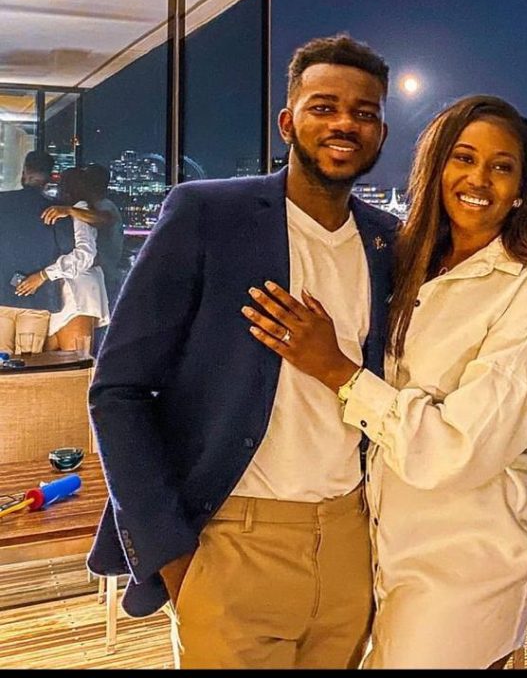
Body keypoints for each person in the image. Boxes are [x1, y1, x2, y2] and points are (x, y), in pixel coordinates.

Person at [87, 34, 398, 670]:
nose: (344, 123)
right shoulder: (209, 215)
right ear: (287, 122)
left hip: (352, 540)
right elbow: (118, 390)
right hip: (231, 537)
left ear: (381, 134)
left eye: (363, 112)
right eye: (323, 107)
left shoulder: (388, 240)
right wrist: (172, 557)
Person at [246, 95, 527, 669]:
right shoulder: (407, 269)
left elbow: (458, 449)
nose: (479, 179)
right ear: (436, 167)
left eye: (501, 167)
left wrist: (337, 371)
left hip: (466, 564)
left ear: (523, 190)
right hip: (381, 541)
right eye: (463, 158)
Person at [17, 166, 110, 354]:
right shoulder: (67, 210)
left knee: (74, 361)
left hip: (77, 291)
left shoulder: (78, 209)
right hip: (63, 290)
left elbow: (85, 254)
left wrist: (42, 275)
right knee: (57, 360)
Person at [0, 150, 73, 355]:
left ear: (24, 171)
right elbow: (67, 249)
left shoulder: (2, 203)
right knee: (28, 363)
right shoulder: (57, 211)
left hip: (0, 296)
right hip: (38, 298)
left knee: (1, 364)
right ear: (50, 177)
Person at [42, 163, 126, 312]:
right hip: (101, 275)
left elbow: (103, 219)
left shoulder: (103, 206)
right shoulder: (95, 205)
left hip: (103, 277)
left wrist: (70, 210)